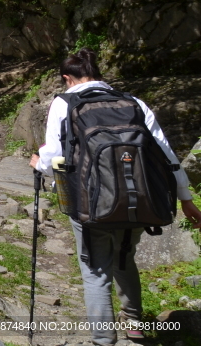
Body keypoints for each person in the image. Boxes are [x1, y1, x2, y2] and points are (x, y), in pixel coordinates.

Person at [31, 48, 201, 344]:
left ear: (67, 79)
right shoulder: (133, 102)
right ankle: (133, 322)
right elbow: (166, 152)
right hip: (139, 199)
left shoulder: (65, 102)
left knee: (95, 271)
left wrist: (39, 164)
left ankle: (103, 340)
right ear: (98, 75)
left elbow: (55, 154)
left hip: (90, 203)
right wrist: (186, 198)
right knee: (124, 258)